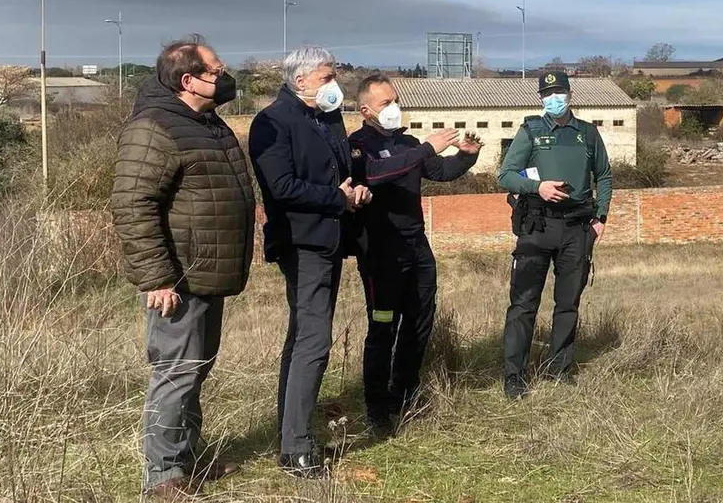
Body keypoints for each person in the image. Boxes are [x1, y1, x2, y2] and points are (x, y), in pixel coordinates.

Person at [111, 36, 255, 497]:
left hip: (207, 273)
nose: (225, 74)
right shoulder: (154, 128)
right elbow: (133, 204)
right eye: (216, 69)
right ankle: (163, 475)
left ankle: (187, 460)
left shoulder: (206, 122)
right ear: (189, 80)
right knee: (176, 373)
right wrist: (157, 278)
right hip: (178, 279)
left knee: (195, 370)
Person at [247, 45, 371, 478]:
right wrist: (336, 198)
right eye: (326, 77)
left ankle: (291, 434)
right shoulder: (273, 121)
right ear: (299, 81)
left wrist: (354, 190)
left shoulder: (328, 117)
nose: (334, 84)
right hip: (301, 244)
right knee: (314, 342)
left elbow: (340, 172)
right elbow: (280, 186)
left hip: (330, 239)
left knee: (304, 339)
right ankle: (296, 448)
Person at [348, 74, 480, 435]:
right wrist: (426, 148)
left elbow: (439, 170)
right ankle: (377, 408)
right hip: (382, 254)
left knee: (420, 321)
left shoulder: (407, 142)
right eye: (385, 103)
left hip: (417, 248)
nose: (394, 107)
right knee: (383, 327)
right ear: (366, 110)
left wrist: (466, 157)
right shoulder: (358, 146)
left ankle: (404, 394)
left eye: (395, 100)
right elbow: (375, 174)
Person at [497, 69, 612, 399]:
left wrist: (601, 217)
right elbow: (506, 176)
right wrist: (538, 187)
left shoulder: (587, 133)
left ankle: (559, 369)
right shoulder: (530, 131)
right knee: (523, 304)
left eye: (559, 92)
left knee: (568, 303)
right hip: (538, 226)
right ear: (541, 98)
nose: (554, 98)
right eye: (547, 94)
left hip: (577, 228)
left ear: (570, 94)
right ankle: (514, 376)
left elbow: (604, 176)